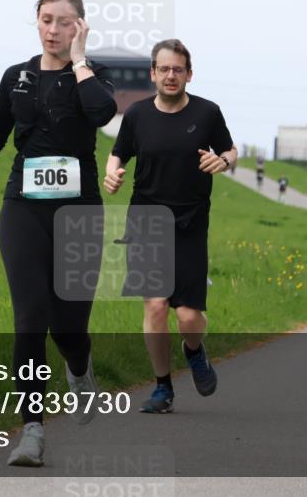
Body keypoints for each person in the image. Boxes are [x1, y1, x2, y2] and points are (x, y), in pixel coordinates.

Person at [0, 0, 117, 467]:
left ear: (80, 26)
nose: (53, 30)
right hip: (23, 208)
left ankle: (79, 367)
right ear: (37, 20)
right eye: (46, 20)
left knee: (68, 328)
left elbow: (102, 113)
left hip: (79, 213)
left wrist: (80, 60)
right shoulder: (17, 76)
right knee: (29, 321)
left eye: (64, 22)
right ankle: (32, 431)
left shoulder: (94, 75)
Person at [104, 38, 236, 414]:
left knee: (188, 316)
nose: (171, 75)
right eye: (164, 69)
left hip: (190, 222)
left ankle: (194, 350)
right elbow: (118, 154)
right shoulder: (137, 115)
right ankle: (162, 387)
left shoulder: (207, 113)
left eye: (178, 69)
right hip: (146, 220)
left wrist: (224, 161)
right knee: (156, 306)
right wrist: (112, 174)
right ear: (153, 74)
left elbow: (230, 150)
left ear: (189, 74)